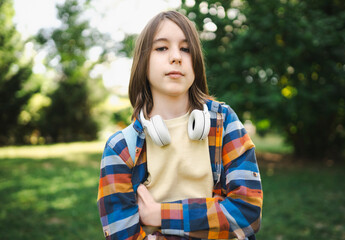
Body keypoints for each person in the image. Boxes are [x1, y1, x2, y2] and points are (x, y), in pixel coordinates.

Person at [97, 10, 263, 240]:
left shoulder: (224, 122)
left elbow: (247, 213)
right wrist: (212, 220)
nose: (176, 57)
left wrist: (160, 215)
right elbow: (122, 235)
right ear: (143, 62)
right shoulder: (120, 149)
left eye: (185, 49)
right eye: (162, 48)